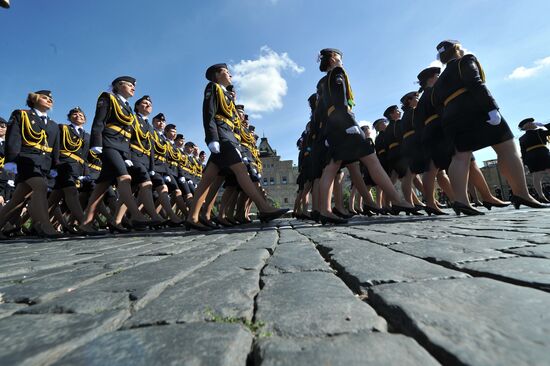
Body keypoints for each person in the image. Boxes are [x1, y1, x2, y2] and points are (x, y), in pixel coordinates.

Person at [432, 40, 544, 213]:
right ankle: (521, 193)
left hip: (451, 118)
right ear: (458, 49)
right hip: (476, 109)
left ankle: (461, 201)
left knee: (460, 157)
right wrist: (492, 108)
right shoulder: (466, 60)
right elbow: (476, 83)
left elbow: (438, 105)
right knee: (507, 148)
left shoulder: (438, 82)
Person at [315, 48, 416, 224]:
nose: (341, 61)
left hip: (332, 125)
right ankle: (398, 201)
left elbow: (319, 113)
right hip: (344, 121)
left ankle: (325, 210)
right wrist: (348, 124)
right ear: (332, 59)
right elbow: (340, 101)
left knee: (332, 166)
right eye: (339, 57)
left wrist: (325, 131)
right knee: (372, 160)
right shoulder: (337, 73)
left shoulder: (321, 83)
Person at [186, 63, 287, 230]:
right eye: (227, 72)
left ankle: (193, 216)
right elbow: (208, 113)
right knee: (241, 170)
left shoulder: (226, 95)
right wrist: (212, 138)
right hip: (223, 137)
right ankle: (264, 207)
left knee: (207, 181)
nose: (230, 75)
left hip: (230, 138)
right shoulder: (213, 87)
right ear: (218, 75)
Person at [81, 76, 154, 232]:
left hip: (121, 148)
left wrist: (126, 156)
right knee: (125, 178)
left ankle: (86, 223)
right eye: (130, 85)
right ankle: (136, 215)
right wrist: (96, 143)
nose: (133, 88)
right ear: (119, 86)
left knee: (102, 186)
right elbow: (99, 121)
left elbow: (128, 133)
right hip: (108, 144)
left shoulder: (127, 107)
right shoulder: (108, 98)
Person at [0, 90, 61, 238]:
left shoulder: (53, 125)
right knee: (40, 187)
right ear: (34, 99)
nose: (49, 100)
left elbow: (55, 150)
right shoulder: (22, 114)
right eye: (44, 97)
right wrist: (11, 163)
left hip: (44, 165)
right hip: (25, 160)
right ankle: (46, 226)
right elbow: (13, 140)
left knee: (17, 199)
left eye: (50, 99)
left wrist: (54, 167)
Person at [518, 117, 550, 202]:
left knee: (537, 176)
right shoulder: (522, 138)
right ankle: (541, 196)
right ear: (525, 126)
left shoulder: (540, 131)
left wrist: (544, 125)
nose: (533, 123)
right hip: (537, 155)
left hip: (541, 154)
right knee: (537, 176)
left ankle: (541, 196)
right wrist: (525, 162)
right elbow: (523, 151)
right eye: (530, 123)